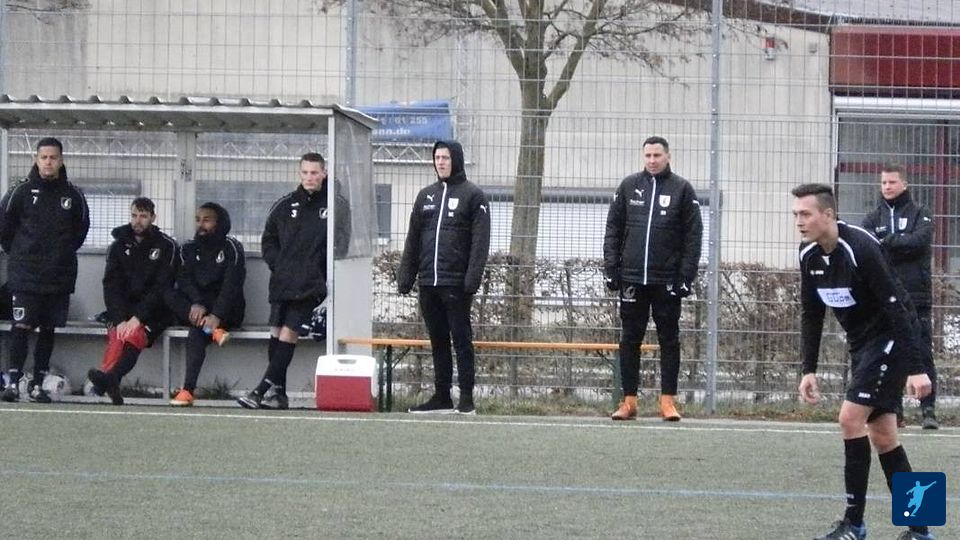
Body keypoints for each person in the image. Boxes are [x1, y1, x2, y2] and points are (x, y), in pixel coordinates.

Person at [791, 183, 934, 540]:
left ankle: (854, 524)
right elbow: (811, 313)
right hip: (863, 346)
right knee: (884, 436)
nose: (799, 221)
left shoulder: (861, 247)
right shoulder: (807, 255)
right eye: (796, 215)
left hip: (891, 338)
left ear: (828, 214)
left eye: (806, 214)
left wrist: (916, 368)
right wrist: (808, 370)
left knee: (849, 419)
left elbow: (897, 307)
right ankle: (921, 529)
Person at [238, 152, 350, 410]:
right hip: (283, 281)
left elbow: (342, 242)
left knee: (289, 332)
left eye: (314, 173)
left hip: (311, 284)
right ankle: (279, 395)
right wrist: (278, 265)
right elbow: (268, 239)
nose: (310, 177)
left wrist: (320, 268)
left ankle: (259, 391)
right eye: (305, 173)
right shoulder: (285, 205)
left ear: (324, 173)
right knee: (276, 332)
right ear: (300, 174)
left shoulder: (336, 205)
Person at [603, 136, 702, 421]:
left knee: (669, 340)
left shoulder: (682, 189)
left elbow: (693, 236)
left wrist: (685, 276)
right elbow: (613, 228)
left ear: (668, 156)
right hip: (632, 279)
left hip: (666, 281)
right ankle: (629, 402)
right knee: (629, 339)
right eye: (647, 155)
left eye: (657, 155)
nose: (652, 160)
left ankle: (668, 402)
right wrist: (612, 267)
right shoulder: (628, 186)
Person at [398, 140, 490, 415]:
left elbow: (480, 242)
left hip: (456, 284)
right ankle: (441, 396)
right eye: (437, 157)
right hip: (428, 282)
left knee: (461, 339)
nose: (440, 162)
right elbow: (413, 238)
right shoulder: (425, 196)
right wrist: (406, 275)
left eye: (446, 158)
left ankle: (467, 398)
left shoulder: (473, 196)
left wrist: (472, 279)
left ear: (456, 160)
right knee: (437, 340)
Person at [0, 137, 89, 403]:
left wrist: (60, 253)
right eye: (44, 157)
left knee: (48, 329)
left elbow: (80, 231)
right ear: (36, 160)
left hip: (58, 276)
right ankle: (13, 383)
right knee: (21, 325)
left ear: (61, 160)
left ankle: (38, 384)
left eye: (53, 157)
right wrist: (22, 254)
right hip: (25, 275)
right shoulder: (20, 191)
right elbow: (4, 229)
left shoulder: (73, 195)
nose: (48, 162)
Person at [861, 164, 938, 429]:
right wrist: (897, 242)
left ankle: (928, 411)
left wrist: (888, 241)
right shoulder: (873, 218)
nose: (887, 187)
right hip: (884, 297)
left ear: (904, 184)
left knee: (922, 351)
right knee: (888, 353)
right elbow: (869, 248)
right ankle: (895, 411)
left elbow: (918, 243)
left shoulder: (921, 213)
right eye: (884, 183)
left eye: (892, 182)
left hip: (916, 296)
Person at [86, 197, 178, 405]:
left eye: (143, 216)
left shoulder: (167, 246)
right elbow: (111, 286)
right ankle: (111, 381)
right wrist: (120, 319)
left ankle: (106, 381)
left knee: (134, 333)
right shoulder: (117, 246)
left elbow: (162, 287)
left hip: (156, 312)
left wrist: (138, 318)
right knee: (119, 334)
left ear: (153, 218)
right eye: (134, 215)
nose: (138, 221)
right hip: (124, 311)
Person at [165, 202, 246, 406]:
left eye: (207, 220)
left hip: (226, 311)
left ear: (220, 224)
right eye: (198, 220)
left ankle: (187, 390)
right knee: (168, 294)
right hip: (198, 310)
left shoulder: (232, 247)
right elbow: (183, 280)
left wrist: (216, 315)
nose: (201, 225)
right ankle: (188, 390)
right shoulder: (188, 248)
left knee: (197, 330)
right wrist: (197, 303)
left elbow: (232, 285)